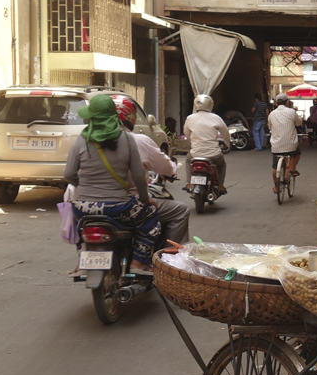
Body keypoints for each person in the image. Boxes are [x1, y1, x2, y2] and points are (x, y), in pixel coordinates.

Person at [63, 94, 161, 274]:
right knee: (151, 217)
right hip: (119, 207)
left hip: (82, 207)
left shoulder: (81, 140)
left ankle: (82, 257)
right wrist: (146, 199)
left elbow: (68, 174)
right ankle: (138, 262)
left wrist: (83, 185)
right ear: (114, 117)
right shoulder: (128, 139)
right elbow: (139, 176)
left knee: (78, 223)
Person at [112, 95, 189, 247]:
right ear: (131, 117)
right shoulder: (137, 140)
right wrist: (145, 197)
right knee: (180, 210)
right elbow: (142, 177)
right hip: (126, 203)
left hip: (89, 203)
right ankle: (167, 260)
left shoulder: (89, 141)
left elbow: (71, 175)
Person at [183, 94, 230, 193]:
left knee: (188, 161)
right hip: (214, 155)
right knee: (222, 165)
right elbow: (225, 133)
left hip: (195, 154)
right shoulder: (216, 118)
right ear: (210, 104)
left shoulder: (190, 118)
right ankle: (221, 186)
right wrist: (227, 143)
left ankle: (189, 183)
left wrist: (191, 142)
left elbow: (187, 134)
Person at [267, 93, 303, 192]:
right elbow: (299, 123)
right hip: (291, 145)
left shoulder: (271, 114)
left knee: (275, 166)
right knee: (297, 153)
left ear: (276, 103)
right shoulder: (292, 112)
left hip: (276, 146)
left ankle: (276, 186)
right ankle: (292, 167)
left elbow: (269, 127)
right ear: (287, 102)